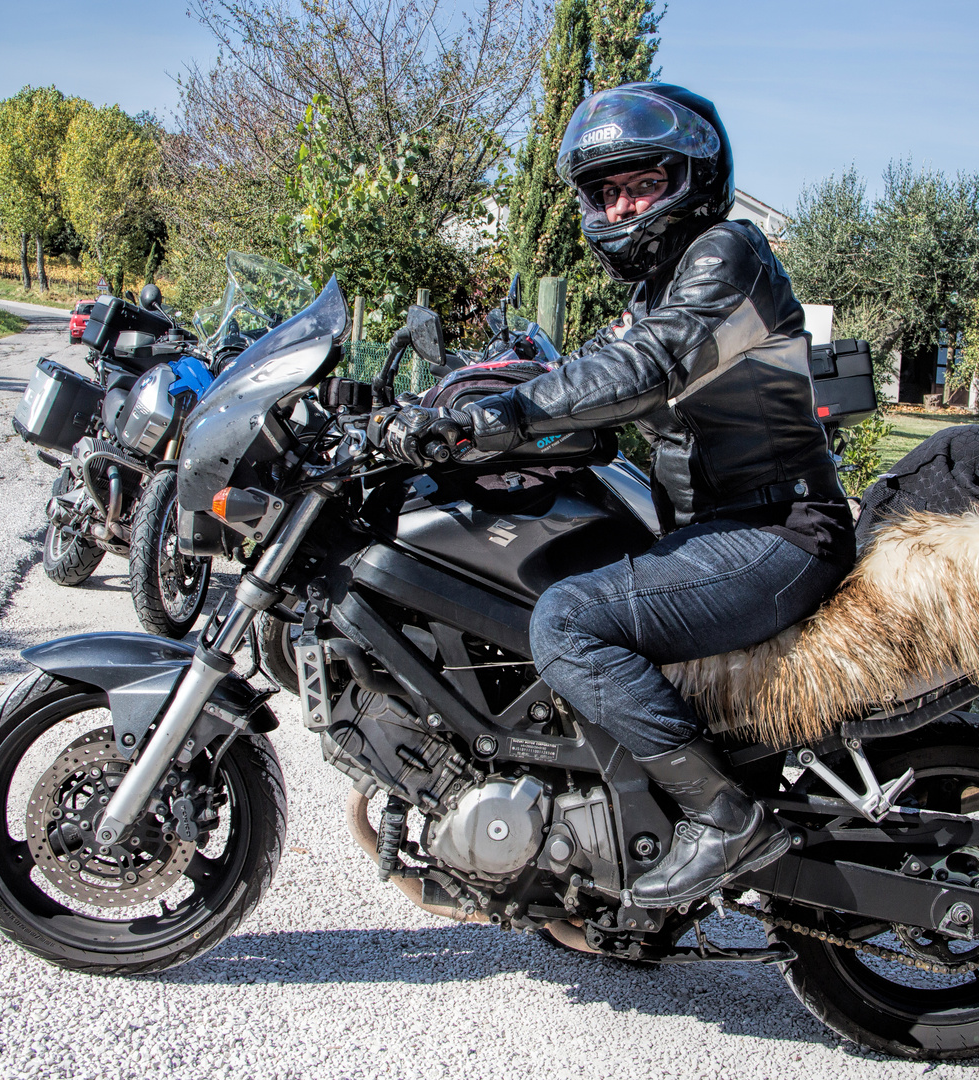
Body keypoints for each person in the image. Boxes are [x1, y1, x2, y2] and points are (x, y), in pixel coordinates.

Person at [377, 83, 856, 908]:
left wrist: (514, 412)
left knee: (565, 621)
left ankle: (722, 814)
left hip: (781, 531)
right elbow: (585, 367)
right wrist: (440, 409)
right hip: (715, 532)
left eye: (641, 184)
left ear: (692, 179)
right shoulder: (654, 291)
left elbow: (648, 366)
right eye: (607, 192)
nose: (622, 205)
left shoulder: (725, 256)